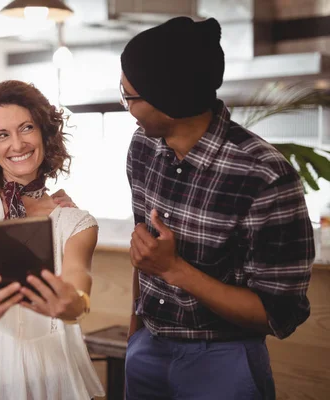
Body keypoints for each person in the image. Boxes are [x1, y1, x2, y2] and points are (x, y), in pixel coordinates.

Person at [121, 17, 314, 400]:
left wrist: (175, 269)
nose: (126, 105)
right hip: (147, 349)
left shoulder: (264, 175)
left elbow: (280, 313)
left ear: (170, 103)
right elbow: (145, 254)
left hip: (225, 362)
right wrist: (135, 335)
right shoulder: (143, 148)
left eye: (130, 97)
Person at [0, 80, 105, 400]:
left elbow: (78, 282)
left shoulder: (75, 221)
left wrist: (72, 303)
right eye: (2, 135)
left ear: (45, 133)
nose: (17, 144)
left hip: (49, 368)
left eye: (26, 128)